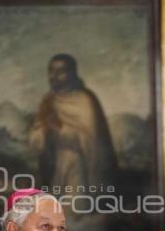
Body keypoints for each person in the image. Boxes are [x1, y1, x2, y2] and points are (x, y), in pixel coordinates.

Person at [30, 54, 118, 192]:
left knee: (74, 208)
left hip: (79, 167)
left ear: (72, 73)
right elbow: (36, 139)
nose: (54, 76)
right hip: (54, 169)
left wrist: (58, 128)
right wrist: (43, 132)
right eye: (51, 71)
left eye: (60, 72)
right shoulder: (48, 101)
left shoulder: (85, 100)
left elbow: (91, 140)